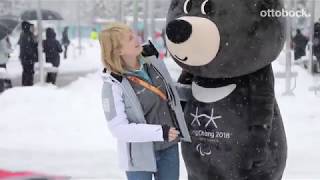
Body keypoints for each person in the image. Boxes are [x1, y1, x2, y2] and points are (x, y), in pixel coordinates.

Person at [100, 22, 191, 180]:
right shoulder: (113, 84)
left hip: (168, 147)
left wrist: (198, 92)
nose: (136, 38)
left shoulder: (152, 62)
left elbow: (170, 92)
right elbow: (118, 129)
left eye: (134, 34)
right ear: (118, 50)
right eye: (129, 38)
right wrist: (159, 132)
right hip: (139, 155)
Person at [18, 21, 38, 86]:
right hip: (28, 57)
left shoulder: (23, 34)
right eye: (29, 26)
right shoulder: (27, 35)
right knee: (29, 71)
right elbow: (29, 47)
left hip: (24, 57)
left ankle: (25, 84)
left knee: (26, 71)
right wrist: (35, 44)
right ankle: (28, 85)